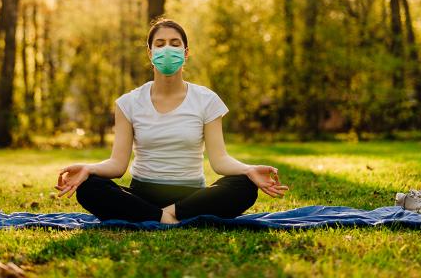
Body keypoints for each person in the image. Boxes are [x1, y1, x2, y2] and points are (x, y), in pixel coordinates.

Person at [55, 18, 289, 224]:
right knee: (89, 188)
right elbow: (117, 165)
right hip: (141, 194)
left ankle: (159, 215)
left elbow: (220, 160)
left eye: (175, 44)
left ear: (186, 52)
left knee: (245, 187)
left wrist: (248, 170)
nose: (168, 49)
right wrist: (88, 169)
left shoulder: (206, 100)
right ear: (150, 53)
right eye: (160, 44)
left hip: (191, 197)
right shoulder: (128, 103)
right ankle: (168, 217)